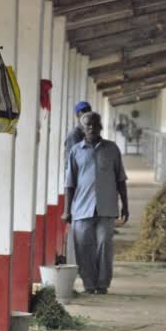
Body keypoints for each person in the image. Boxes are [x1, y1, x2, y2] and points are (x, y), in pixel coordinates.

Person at [62, 112, 129, 294]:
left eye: (94, 124)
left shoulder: (112, 149)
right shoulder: (76, 151)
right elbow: (70, 183)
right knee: (83, 248)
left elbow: (121, 179)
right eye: (87, 125)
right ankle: (88, 284)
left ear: (101, 126)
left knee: (104, 245)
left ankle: (102, 284)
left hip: (106, 208)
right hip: (82, 209)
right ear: (82, 129)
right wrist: (67, 210)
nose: (91, 128)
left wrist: (125, 205)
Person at [63, 101, 93, 265]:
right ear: (77, 116)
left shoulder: (90, 134)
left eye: (88, 112)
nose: (86, 114)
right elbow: (73, 165)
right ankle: (75, 262)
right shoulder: (74, 135)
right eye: (82, 112)